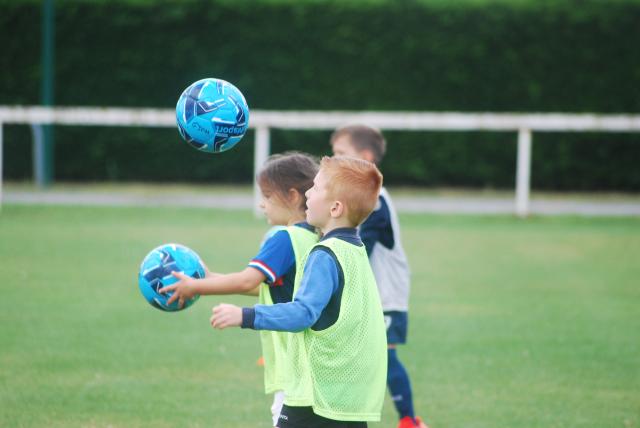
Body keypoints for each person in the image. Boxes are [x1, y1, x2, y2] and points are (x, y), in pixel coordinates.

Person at [211, 156, 388, 428]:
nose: (307, 193)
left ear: (336, 208)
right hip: (348, 397)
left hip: (316, 394)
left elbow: (303, 313)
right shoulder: (355, 250)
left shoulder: (325, 255)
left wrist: (245, 316)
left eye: (315, 188)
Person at [159, 152, 319, 427]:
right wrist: (211, 278)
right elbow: (266, 289)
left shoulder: (284, 239)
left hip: (294, 367)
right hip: (316, 363)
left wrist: (196, 286)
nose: (262, 204)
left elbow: (248, 280)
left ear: (293, 196)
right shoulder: (314, 236)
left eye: (267, 196)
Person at [330, 125, 428, 428]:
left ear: (366, 157)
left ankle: (410, 421)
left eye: (341, 154)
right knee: (359, 358)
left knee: (385, 357)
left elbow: (359, 248)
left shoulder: (376, 201)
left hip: (385, 294)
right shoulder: (360, 198)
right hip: (367, 294)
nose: (335, 161)